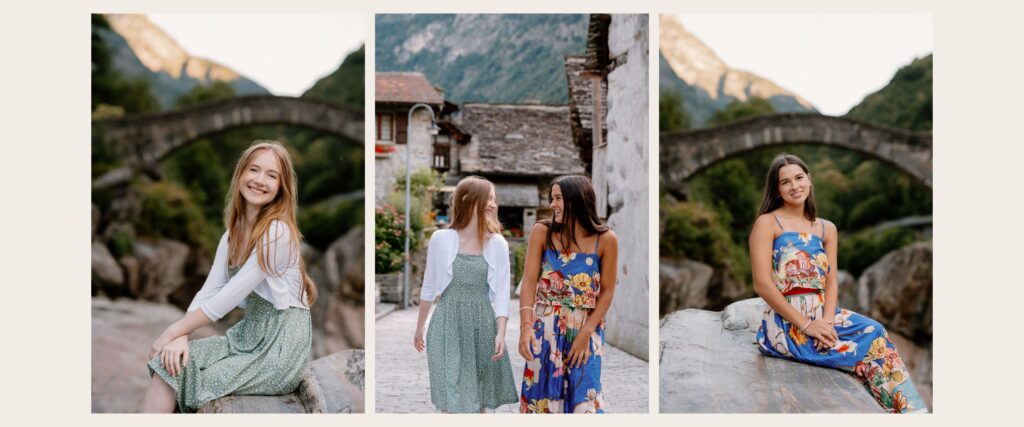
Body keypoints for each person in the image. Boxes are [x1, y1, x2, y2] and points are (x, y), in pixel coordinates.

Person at [138, 141, 316, 413]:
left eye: (272, 175)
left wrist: (172, 330)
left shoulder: (277, 232)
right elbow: (210, 290)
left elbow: (226, 299)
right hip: (246, 338)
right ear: (240, 174)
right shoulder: (232, 234)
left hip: (279, 349)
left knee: (197, 377)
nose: (259, 180)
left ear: (282, 187)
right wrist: (181, 337)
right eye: (254, 170)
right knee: (169, 362)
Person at [750, 153, 928, 413]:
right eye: (785, 182)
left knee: (875, 332)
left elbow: (831, 280)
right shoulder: (767, 223)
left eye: (799, 178)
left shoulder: (826, 228)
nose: (794, 186)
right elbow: (762, 284)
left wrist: (828, 322)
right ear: (777, 190)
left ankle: (909, 413)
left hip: (824, 314)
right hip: (786, 322)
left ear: (809, 180)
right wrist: (808, 325)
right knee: (861, 354)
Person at [413, 176, 518, 413]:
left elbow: (502, 293)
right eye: (488, 198)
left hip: (482, 325)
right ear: (470, 201)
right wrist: (420, 328)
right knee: (450, 397)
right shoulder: (440, 239)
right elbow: (429, 286)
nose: (493, 204)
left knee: (479, 401)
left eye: (494, 198)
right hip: (446, 323)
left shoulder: (498, 244)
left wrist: (501, 333)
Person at [518, 175, 618, 413]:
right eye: (551, 198)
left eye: (558, 198)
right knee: (541, 398)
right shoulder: (542, 232)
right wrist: (526, 327)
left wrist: (586, 333)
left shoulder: (606, 240)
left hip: (586, 327)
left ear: (577, 200)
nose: (552, 204)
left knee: (585, 400)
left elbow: (607, 291)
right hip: (545, 326)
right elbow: (529, 282)